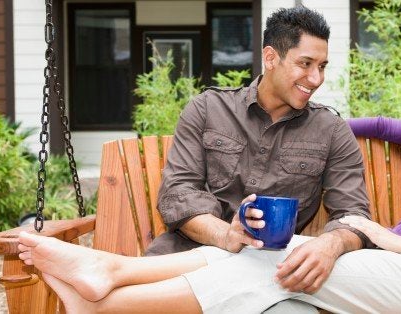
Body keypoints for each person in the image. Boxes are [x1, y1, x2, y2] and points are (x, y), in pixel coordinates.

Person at [18, 48, 401, 314]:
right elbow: (383, 126)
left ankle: (103, 294)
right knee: (272, 272)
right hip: (387, 264)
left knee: (274, 262)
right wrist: (315, 123)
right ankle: (106, 279)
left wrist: (392, 238)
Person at [145, 4, 371, 300]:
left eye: (322, 66)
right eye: (305, 64)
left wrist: (331, 244)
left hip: (269, 274)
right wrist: (226, 234)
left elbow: (353, 214)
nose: (316, 79)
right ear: (270, 58)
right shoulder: (208, 109)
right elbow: (178, 193)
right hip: (184, 259)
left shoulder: (331, 130)